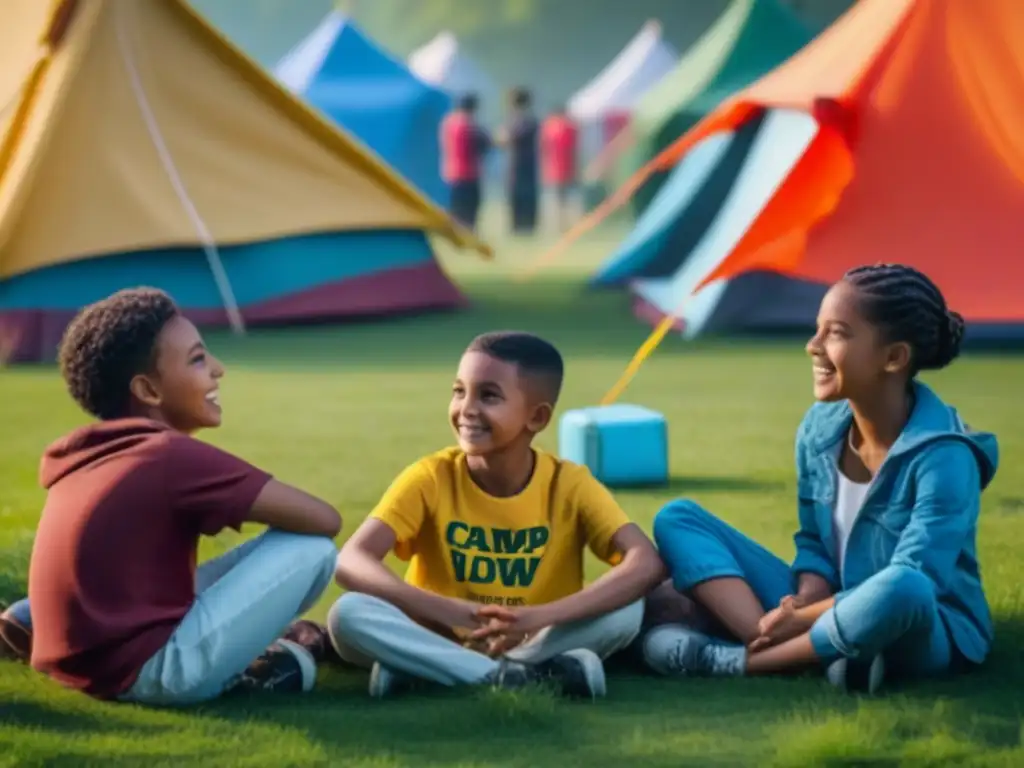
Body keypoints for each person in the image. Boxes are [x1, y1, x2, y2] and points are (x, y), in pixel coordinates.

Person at [642, 263, 996, 694]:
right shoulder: (820, 427)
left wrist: (804, 616)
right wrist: (808, 594)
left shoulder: (946, 458)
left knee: (905, 586)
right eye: (817, 329)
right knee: (678, 518)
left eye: (837, 333)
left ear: (894, 357)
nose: (813, 346)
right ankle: (774, 641)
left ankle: (741, 663)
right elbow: (814, 542)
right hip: (829, 607)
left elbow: (919, 577)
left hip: (924, 629)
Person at [2, 288, 342, 705]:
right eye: (198, 359)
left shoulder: (85, 453)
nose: (218, 370)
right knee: (310, 548)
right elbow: (324, 520)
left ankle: (30, 615)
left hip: (78, 661)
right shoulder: (169, 456)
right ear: (148, 390)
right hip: (146, 673)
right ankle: (254, 664)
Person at [328, 331, 664, 699]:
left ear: (536, 417)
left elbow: (645, 562)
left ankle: (437, 672)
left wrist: (539, 616)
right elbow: (351, 559)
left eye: (488, 396)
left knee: (629, 605)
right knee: (347, 614)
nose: (467, 409)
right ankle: (515, 676)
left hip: (535, 637)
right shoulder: (430, 476)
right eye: (459, 391)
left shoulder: (570, 484)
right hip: (434, 633)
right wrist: (453, 612)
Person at [440, 92, 491, 232]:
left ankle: (456, 233)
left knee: (456, 208)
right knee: (470, 209)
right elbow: (485, 143)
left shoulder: (448, 122)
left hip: (451, 173)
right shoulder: (470, 125)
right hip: (469, 173)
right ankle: (468, 233)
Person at [496, 88, 540, 235]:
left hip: (520, 165)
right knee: (520, 197)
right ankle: (522, 226)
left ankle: (524, 227)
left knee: (522, 197)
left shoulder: (523, 122)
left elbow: (505, 139)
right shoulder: (528, 121)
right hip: (522, 165)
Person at [540, 105, 579, 233]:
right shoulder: (569, 127)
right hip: (567, 168)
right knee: (567, 200)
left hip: (553, 169)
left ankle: (558, 226)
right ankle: (566, 225)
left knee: (556, 200)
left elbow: (544, 149)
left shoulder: (548, 127)